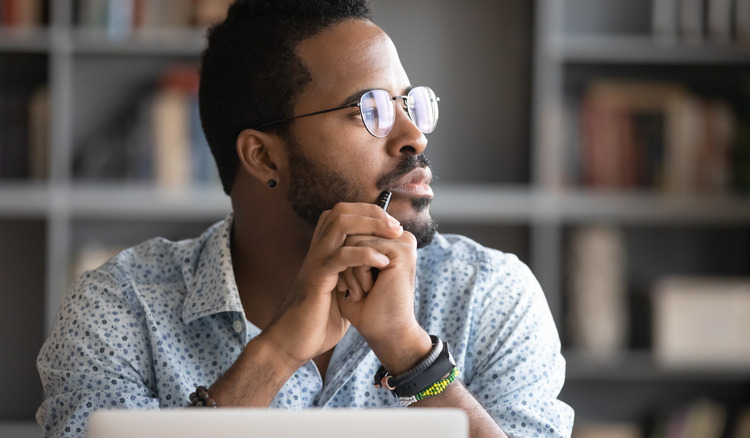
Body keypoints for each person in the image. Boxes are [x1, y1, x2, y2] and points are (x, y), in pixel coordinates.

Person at [36, 1, 574, 437]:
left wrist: (412, 358)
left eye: (410, 104)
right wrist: (276, 352)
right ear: (264, 157)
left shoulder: (490, 294)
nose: (414, 135)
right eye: (371, 110)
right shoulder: (120, 309)